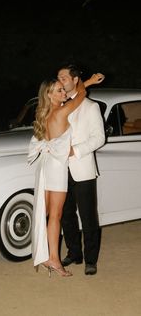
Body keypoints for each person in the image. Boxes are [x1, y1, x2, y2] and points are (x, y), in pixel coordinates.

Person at [28, 73, 104, 278]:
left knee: (47, 213)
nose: (63, 91)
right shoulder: (61, 112)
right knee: (56, 215)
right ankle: (52, 258)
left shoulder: (43, 113)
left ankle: (47, 255)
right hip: (57, 167)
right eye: (59, 89)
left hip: (46, 165)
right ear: (50, 95)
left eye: (63, 87)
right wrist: (86, 82)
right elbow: (81, 94)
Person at [57, 63, 105, 276]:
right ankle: (74, 252)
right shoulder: (59, 105)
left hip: (83, 168)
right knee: (66, 215)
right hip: (60, 169)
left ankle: (91, 259)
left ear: (75, 80)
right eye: (59, 78)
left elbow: (99, 138)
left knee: (87, 216)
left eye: (64, 78)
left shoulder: (91, 107)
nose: (60, 81)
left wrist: (74, 151)